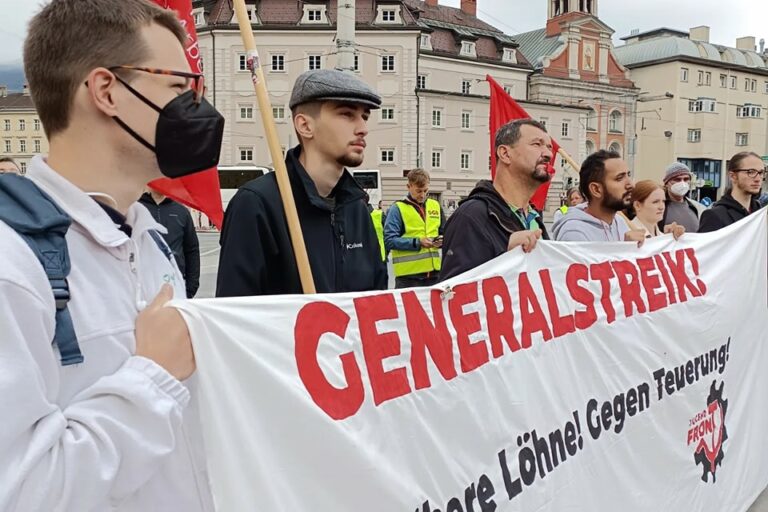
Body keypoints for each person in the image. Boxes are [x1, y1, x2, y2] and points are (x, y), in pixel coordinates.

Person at [1, 0, 225, 510]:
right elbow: (21, 492)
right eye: (178, 86)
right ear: (107, 91)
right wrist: (153, 376)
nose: (196, 105)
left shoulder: (149, 239)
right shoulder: (12, 262)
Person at [216, 69, 387, 296]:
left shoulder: (357, 207)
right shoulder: (258, 204)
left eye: (364, 116)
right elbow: (234, 313)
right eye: (347, 114)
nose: (363, 128)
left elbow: (376, 301)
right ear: (305, 126)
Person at [440, 119, 551, 281]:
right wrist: (504, 254)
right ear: (505, 154)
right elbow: (452, 294)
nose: (548, 154)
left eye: (549, 147)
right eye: (537, 144)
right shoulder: (471, 216)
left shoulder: (535, 218)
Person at [552, 150, 645, 243]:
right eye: (619, 178)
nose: (631, 185)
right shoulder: (574, 233)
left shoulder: (619, 222)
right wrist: (625, 249)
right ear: (596, 189)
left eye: (628, 175)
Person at [384, 168, 445, 288]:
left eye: (426, 190)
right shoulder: (397, 209)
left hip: (434, 275)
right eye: (418, 191)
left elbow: (444, 232)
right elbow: (389, 241)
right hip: (408, 278)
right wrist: (418, 242)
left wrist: (441, 240)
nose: (422, 195)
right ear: (409, 186)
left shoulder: (435, 206)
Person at [139, 188, 201, 298]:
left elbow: (192, 250)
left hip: (175, 283)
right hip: (143, 285)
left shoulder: (181, 211)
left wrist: (191, 287)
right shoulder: (137, 208)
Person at [699, 151, 764, 232]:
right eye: (751, 172)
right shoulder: (715, 215)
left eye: (761, 172)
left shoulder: (761, 213)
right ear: (733, 176)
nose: (758, 179)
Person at [659, 162, 705, 233]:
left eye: (686, 179)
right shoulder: (659, 207)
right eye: (677, 179)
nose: (682, 183)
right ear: (667, 183)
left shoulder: (697, 208)